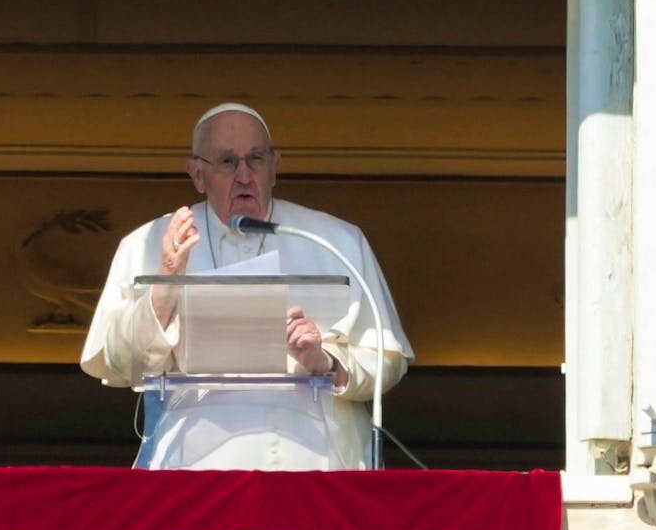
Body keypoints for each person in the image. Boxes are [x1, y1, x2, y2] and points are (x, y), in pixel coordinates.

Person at [81, 103, 413, 470]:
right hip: (196, 467)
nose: (243, 175)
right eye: (226, 162)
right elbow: (117, 361)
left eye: (255, 159)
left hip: (317, 462)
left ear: (275, 167)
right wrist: (166, 284)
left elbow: (387, 362)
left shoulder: (335, 241)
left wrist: (326, 362)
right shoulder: (149, 243)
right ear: (197, 174)